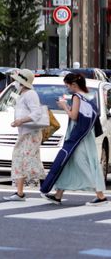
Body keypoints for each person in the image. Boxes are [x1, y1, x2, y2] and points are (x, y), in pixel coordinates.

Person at [41, 72, 108, 206]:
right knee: (68, 164)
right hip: (84, 137)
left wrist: (64, 106)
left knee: (82, 164)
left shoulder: (76, 97)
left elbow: (74, 116)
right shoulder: (87, 97)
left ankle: (100, 196)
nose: (67, 89)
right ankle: (58, 195)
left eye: (68, 86)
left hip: (78, 139)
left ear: (74, 85)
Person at [3, 69, 46, 201]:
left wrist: (20, 121)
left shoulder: (30, 94)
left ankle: (44, 187)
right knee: (25, 160)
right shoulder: (23, 94)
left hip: (30, 134)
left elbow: (36, 113)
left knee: (23, 160)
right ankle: (22, 192)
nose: (15, 82)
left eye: (16, 80)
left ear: (22, 82)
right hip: (26, 133)